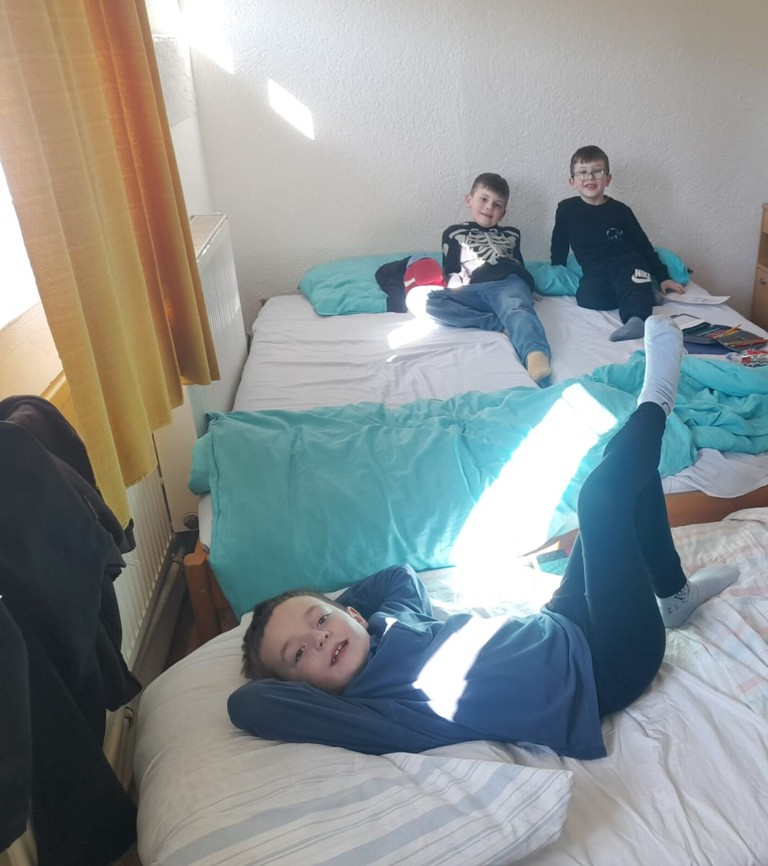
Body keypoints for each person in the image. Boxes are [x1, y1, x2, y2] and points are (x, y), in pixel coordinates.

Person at [227, 316, 739, 759]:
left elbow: (397, 577)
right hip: (606, 667)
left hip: (561, 622)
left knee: (617, 484)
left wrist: (344, 613)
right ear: (305, 689)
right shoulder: (373, 708)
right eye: (299, 654)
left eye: (320, 621)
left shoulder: (396, 620)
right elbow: (249, 704)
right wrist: (314, 654)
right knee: (602, 500)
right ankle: (658, 397)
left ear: (353, 614)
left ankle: (674, 596)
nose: (319, 638)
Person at [419, 172, 552, 384]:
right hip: (472, 290)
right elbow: (451, 268)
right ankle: (499, 324)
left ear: (503, 213)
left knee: (516, 307)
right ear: (469, 200)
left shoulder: (512, 234)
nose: (489, 207)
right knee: (423, 300)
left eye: (497, 205)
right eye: (484, 199)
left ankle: (535, 353)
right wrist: (454, 289)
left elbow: (518, 264)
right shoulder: (453, 232)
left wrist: (527, 289)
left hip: (506, 281)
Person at [550, 145, 685, 342]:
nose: (590, 177)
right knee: (587, 297)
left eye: (597, 171)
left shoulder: (621, 211)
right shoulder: (566, 209)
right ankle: (643, 293)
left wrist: (663, 277)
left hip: (627, 261)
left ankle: (636, 319)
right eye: (582, 173)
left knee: (629, 272)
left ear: (608, 179)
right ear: (572, 182)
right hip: (596, 269)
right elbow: (559, 241)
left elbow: (644, 245)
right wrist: (557, 266)